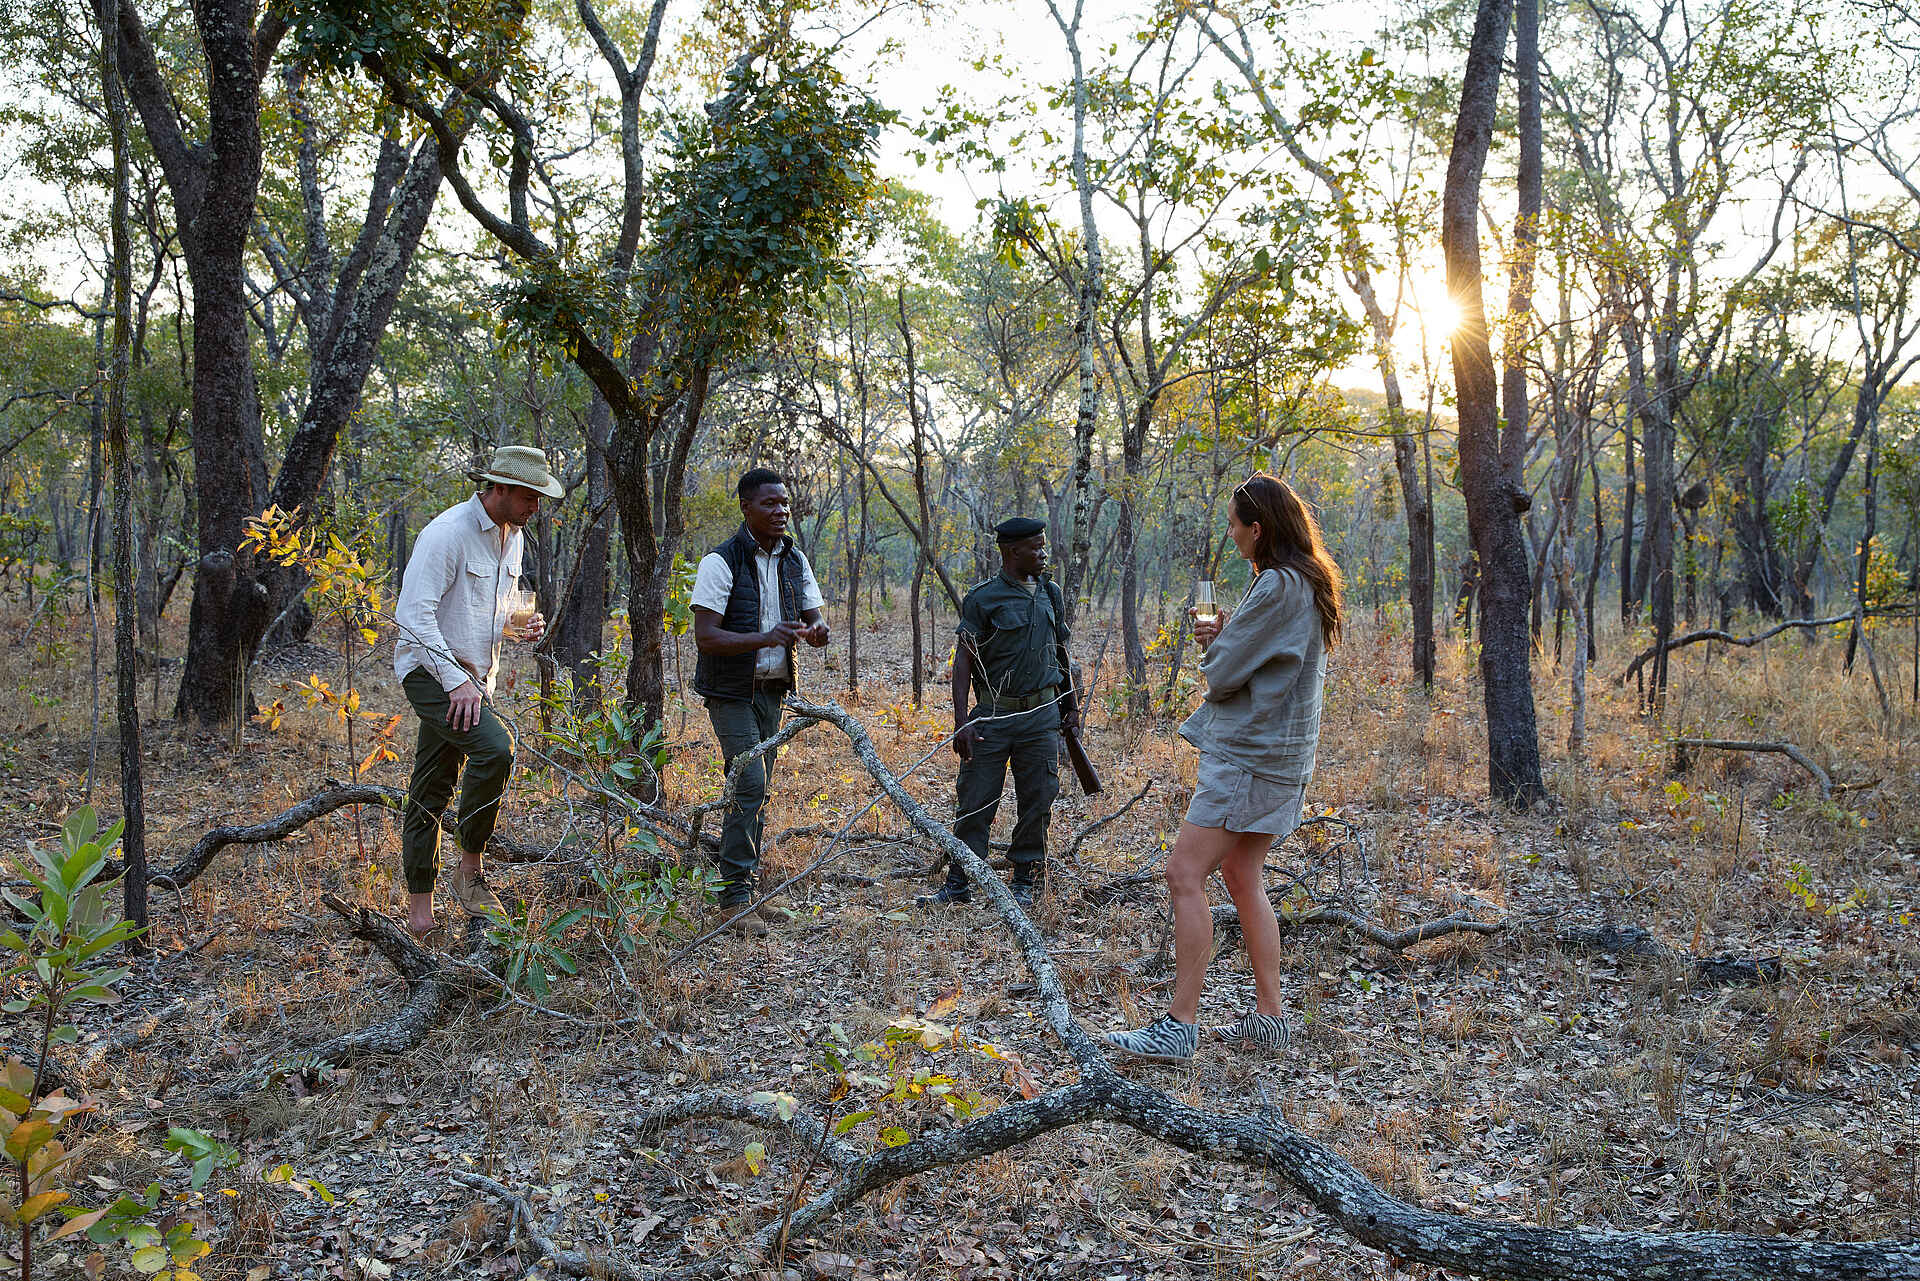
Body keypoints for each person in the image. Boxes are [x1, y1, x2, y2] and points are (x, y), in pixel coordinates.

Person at [1103, 474, 1342, 1062]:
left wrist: (1215, 642)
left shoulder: (1277, 585)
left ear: (1257, 528)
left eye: (1236, 524)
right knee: (1242, 878)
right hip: (1281, 760)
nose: (1231, 534)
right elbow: (1257, 653)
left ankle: (1179, 1025)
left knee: (1184, 874)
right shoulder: (1302, 582)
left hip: (1249, 759)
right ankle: (1271, 1019)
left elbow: (1224, 671)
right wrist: (1226, 633)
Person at [392, 445, 562, 937]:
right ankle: (471, 871)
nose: (536, 508)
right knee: (495, 749)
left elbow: (495, 608)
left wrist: (518, 629)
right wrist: (457, 681)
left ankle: (420, 917)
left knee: (429, 788)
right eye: (530, 497)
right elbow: (414, 617)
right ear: (501, 489)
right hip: (431, 673)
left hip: (473, 680)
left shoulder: (514, 537)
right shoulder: (446, 534)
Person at [691, 468, 830, 936]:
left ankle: (743, 886)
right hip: (730, 691)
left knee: (758, 785)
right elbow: (706, 637)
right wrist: (765, 637)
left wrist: (817, 632)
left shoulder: (794, 560)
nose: (781, 511)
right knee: (749, 780)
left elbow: (815, 621)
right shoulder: (721, 562)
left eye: (785, 503)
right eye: (770, 503)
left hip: (773, 688)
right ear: (746, 507)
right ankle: (732, 899)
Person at [922, 516, 1080, 910]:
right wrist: (961, 722)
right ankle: (961, 880)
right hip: (992, 717)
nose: (1044, 554)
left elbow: (1060, 652)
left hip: (1041, 717)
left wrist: (1071, 706)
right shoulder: (983, 598)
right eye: (1036, 547)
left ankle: (1025, 877)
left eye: (1044, 546)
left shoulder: (1051, 593)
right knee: (976, 799)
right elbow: (963, 661)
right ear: (1012, 552)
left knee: (1038, 798)